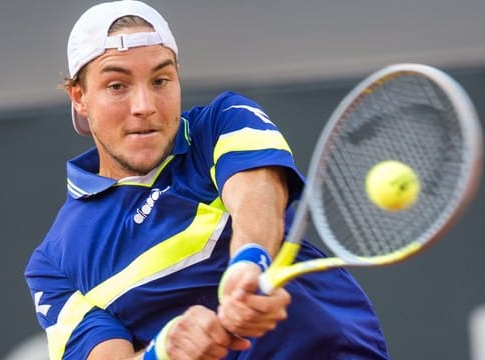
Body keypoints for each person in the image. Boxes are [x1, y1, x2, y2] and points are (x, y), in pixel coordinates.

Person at [24, 1, 389, 359]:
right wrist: (164, 353)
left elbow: (255, 191)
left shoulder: (220, 123)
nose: (145, 105)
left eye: (161, 80)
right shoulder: (53, 265)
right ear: (80, 98)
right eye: (117, 86)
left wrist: (249, 261)